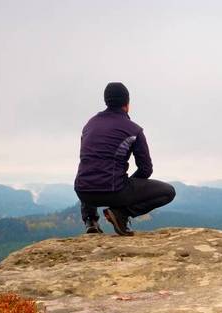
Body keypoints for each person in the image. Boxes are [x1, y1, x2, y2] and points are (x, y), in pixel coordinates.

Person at [74, 82, 176, 235]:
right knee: (168, 192)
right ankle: (121, 213)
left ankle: (90, 221)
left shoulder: (90, 125)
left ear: (106, 101)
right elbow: (146, 169)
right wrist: (127, 185)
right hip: (114, 192)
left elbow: (88, 159)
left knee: (91, 167)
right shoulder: (133, 129)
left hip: (83, 192)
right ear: (127, 104)